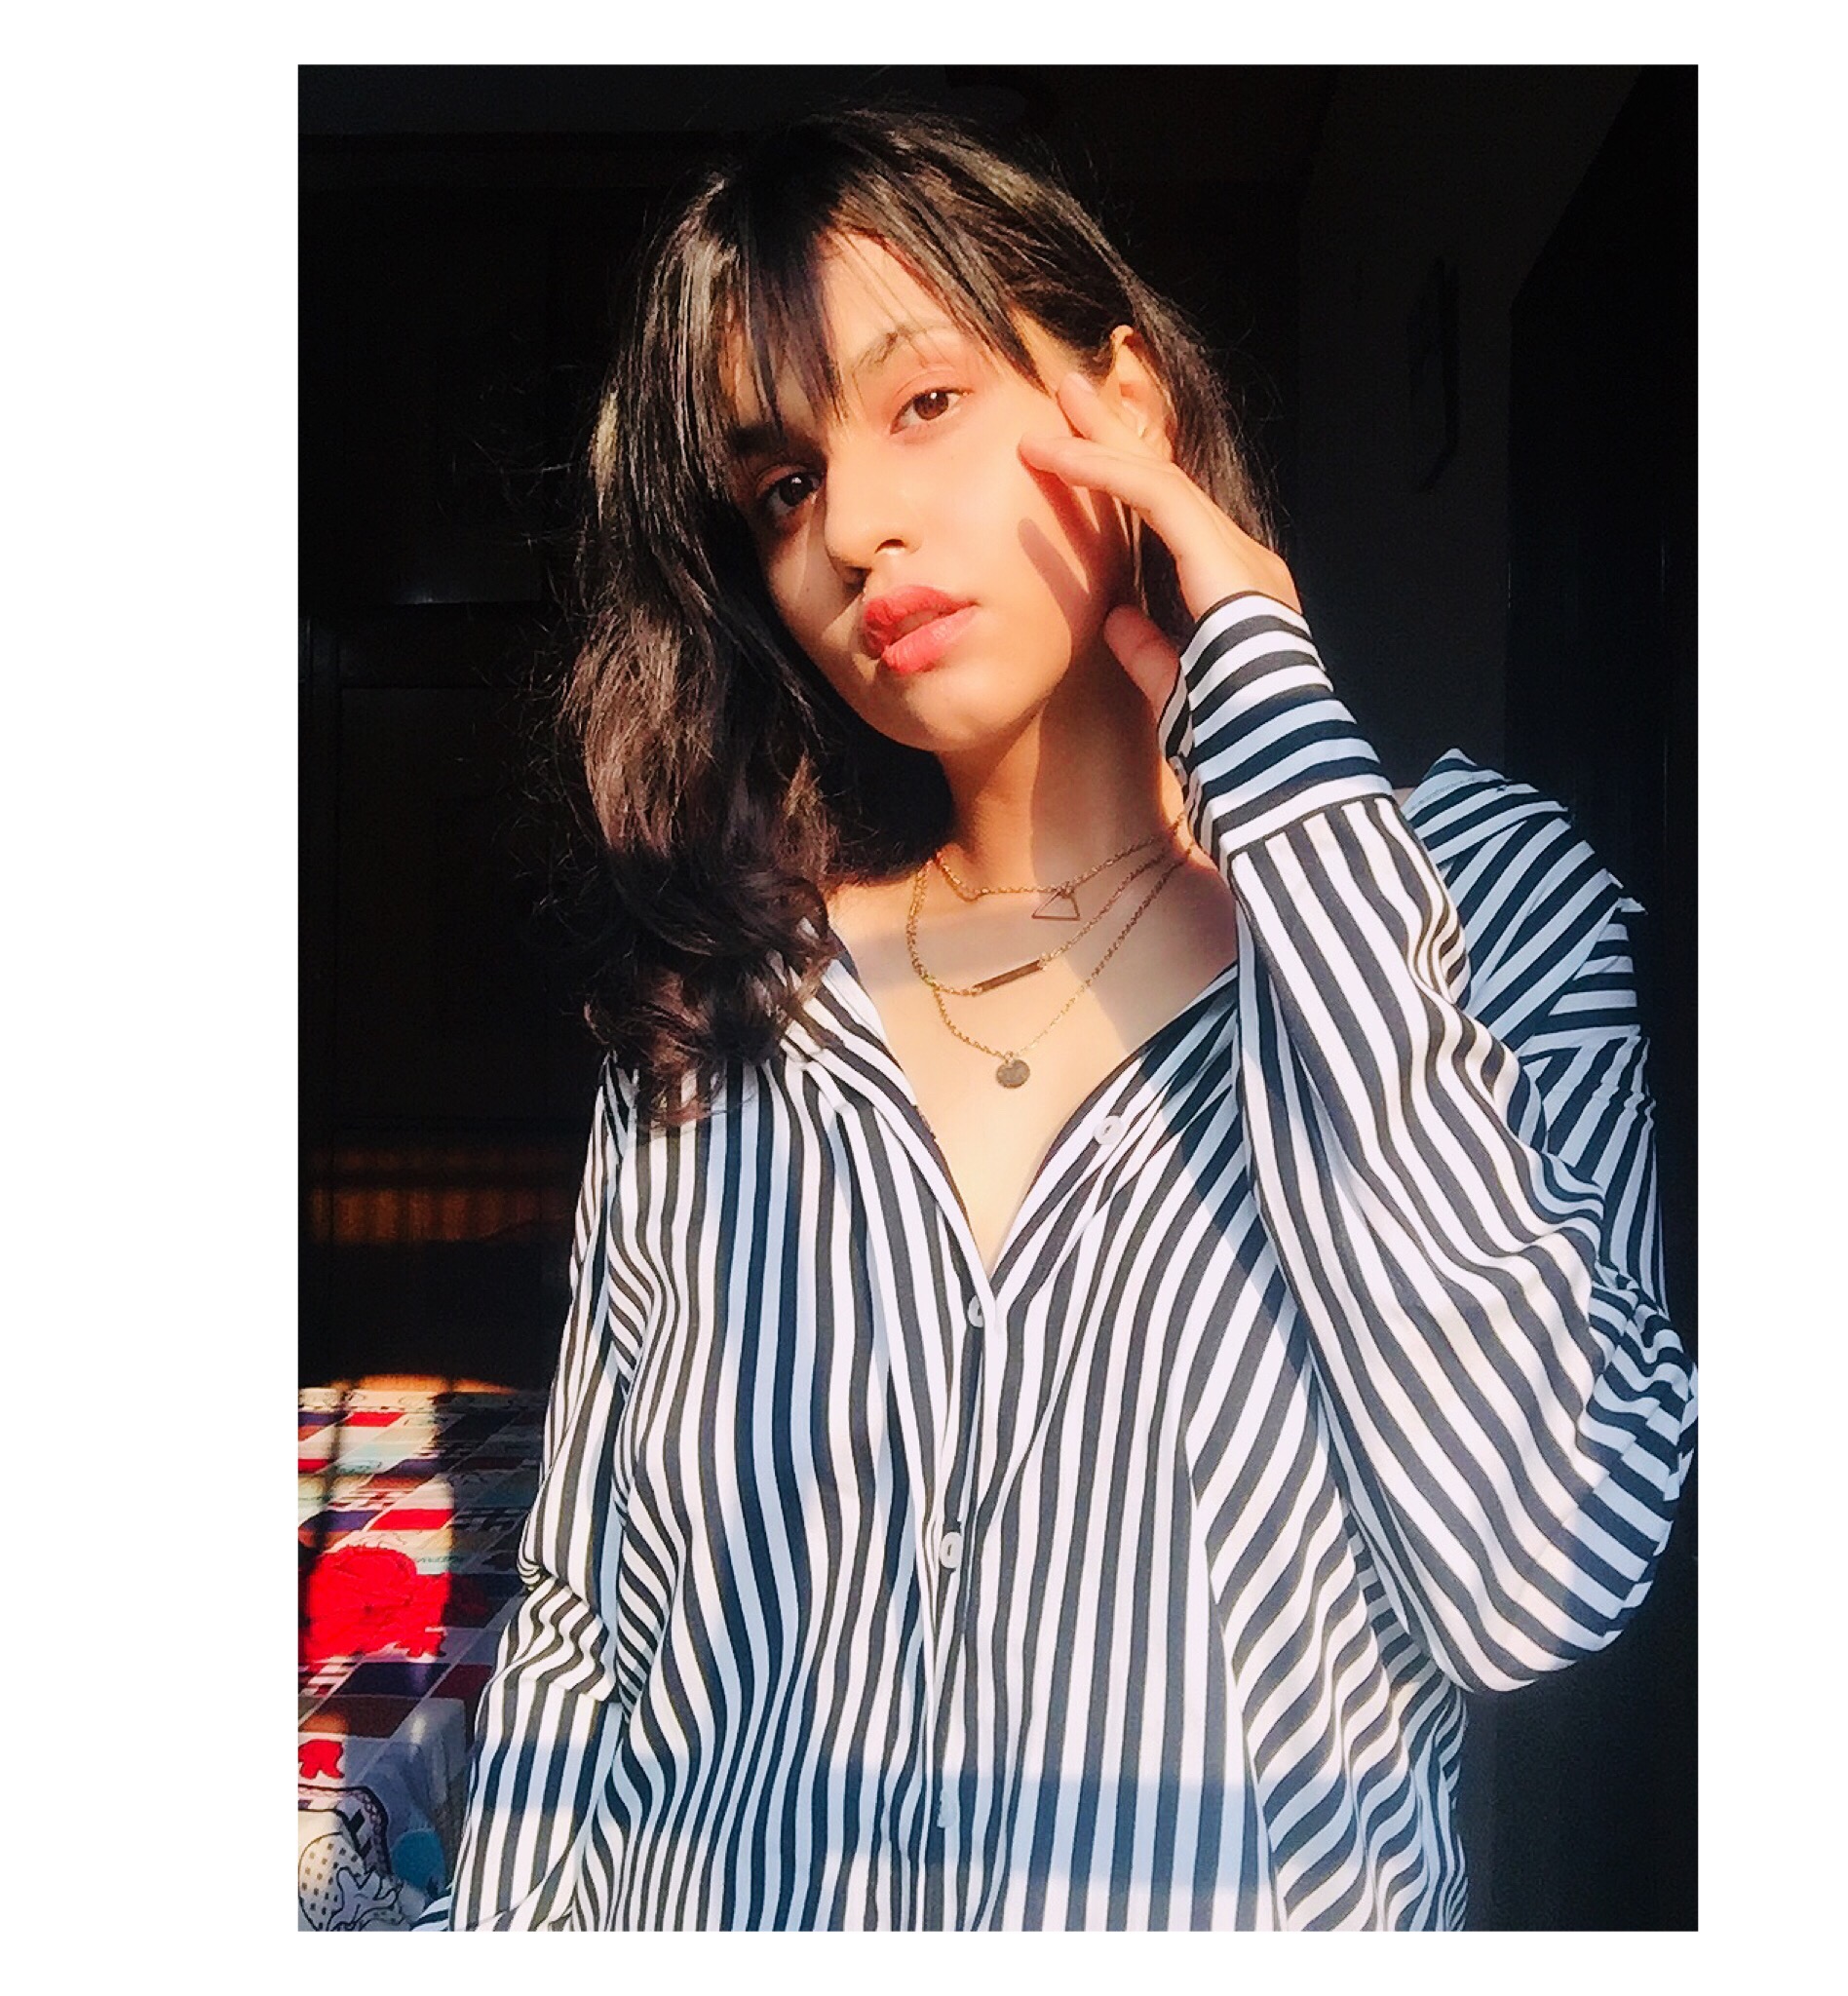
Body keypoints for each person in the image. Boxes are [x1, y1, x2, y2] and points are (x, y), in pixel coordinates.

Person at [419, 106, 1697, 1931]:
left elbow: (1541, 1571)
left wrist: (1280, 755)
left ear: (1126, 401)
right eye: (782, 486)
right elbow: (589, 1627)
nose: (855, 526)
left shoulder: (1478, 907)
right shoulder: (730, 1000)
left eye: (923, 400)